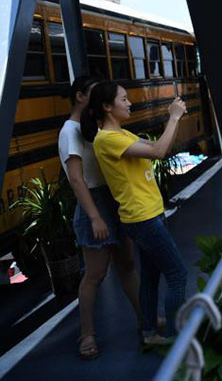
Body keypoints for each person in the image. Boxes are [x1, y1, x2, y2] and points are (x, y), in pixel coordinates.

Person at [82, 82, 188, 344]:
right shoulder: (107, 140)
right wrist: (173, 117)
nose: (129, 103)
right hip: (143, 218)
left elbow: (160, 147)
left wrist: (174, 119)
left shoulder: (123, 134)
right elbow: (159, 152)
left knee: (150, 277)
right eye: (124, 99)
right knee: (177, 275)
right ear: (107, 107)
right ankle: (177, 340)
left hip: (147, 214)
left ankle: (149, 332)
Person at [59, 75, 142, 359]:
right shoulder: (70, 131)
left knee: (127, 264)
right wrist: (95, 217)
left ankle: (144, 319)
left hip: (112, 198)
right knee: (95, 274)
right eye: (94, 93)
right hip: (94, 202)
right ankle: (87, 334)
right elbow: (76, 179)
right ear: (80, 97)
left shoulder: (93, 127)